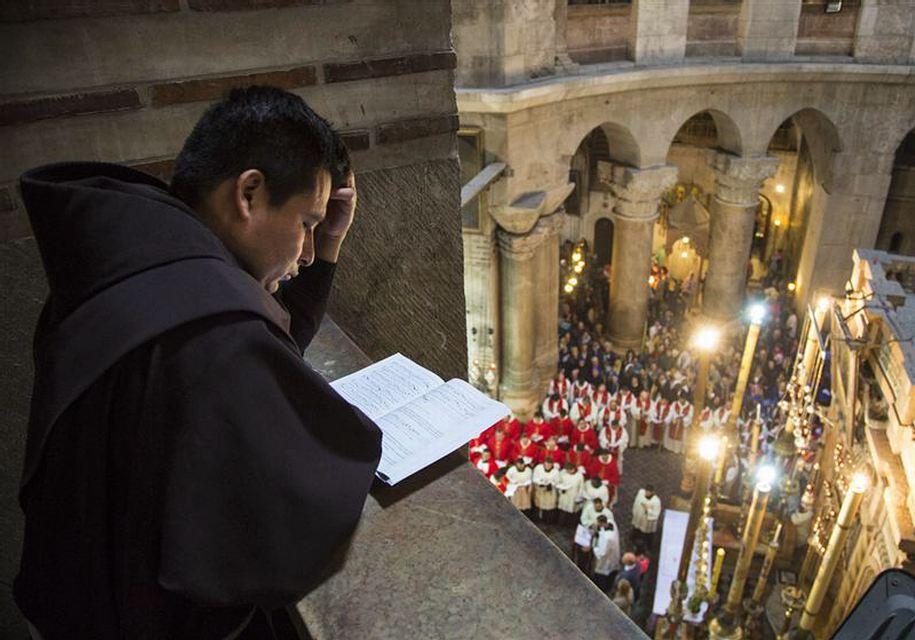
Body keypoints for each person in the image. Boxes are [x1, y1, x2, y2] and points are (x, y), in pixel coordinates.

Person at [15, 87, 386, 639]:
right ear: (249, 194)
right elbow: (300, 502)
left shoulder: (145, 252)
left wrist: (330, 241)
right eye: (307, 223)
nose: (307, 252)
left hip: (72, 597)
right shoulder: (209, 335)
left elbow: (268, 339)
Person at [591, 514, 621, 592]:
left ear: (602, 523)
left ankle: (601, 589)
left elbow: (602, 553)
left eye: (598, 523)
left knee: (602, 575)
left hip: (606, 559)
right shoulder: (611, 522)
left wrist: (594, 546)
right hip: (613, 553)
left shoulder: (607, 538)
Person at [631, 485, 662, 550]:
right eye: (646, 491)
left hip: (647, 522)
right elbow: (636, 502)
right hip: (639, 518)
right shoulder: (641, 493)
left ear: (652, 492)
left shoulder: (656, 501)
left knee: (647, 534)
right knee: (636, 529)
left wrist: (648, 509)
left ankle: (648, 546)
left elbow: (656, 514)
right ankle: (633, 538)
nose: (646, 493)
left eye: (648, 492)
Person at [532, 457, 560, 522]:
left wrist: (551, 484)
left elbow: (557, 481)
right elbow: (535, 478)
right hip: (540, 489)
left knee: (549, 506)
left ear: (552, 465)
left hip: (550, 491)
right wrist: (540, 482)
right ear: (544, 464)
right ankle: (538, 519)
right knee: (539, 504)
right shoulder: (538, 468)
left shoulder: (555, 471)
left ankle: (548, 520)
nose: (548, 466)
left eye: (550, 465)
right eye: (546, 465)